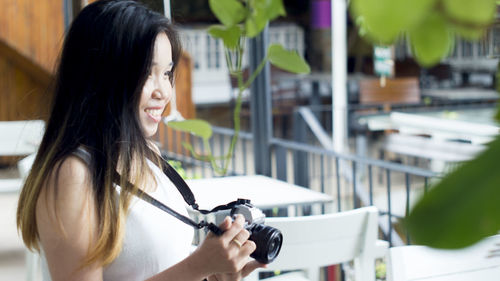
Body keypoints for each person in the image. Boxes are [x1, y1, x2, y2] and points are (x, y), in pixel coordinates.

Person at [16, 1, 265, 280]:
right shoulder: (73, 175)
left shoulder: (145, 152)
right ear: (102, 76)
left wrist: (217, 273)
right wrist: (199, 265)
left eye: (167, 73)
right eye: (147, 72)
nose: (163, 91)